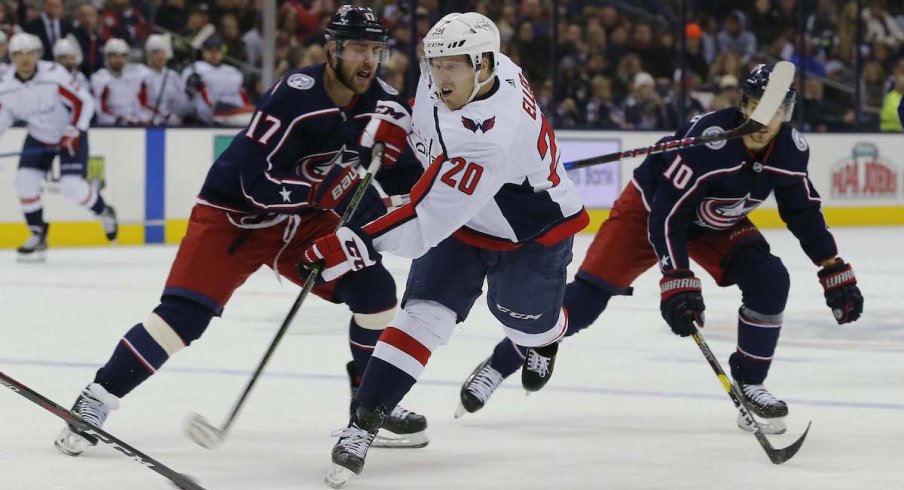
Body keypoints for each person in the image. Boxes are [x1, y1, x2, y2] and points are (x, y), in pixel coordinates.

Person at [53, 5, 427, 457]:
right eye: (356, 49)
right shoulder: (294, 97)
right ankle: (95, 400)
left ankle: (372, 408)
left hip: (304, 221)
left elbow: (407, 179)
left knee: (376, 292)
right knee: (183, 317)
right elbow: (256, 182)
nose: (367, 61)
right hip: (236, 215)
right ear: (332, 49)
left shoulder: (381, 101)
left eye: (375, 49)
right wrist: (325, 190)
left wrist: (403, 154)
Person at [456, 64, 865, 436]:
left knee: (771, 280)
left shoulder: (792, 151)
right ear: (743, 104)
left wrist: (831, 266)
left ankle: (751, 385)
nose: (763, 120)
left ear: (787, 113)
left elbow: (803, 210)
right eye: (756, 107)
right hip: (648, 214)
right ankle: (497, 366)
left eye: (773, 111)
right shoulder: (709, 142)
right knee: (584, 303)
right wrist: (677, 278)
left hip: (718, 225)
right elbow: (668, 212)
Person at [299, 12, 589, 487]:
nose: (439, 76)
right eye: (434, 63)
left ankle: (545, 338)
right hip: (464, 216)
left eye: (452, 66)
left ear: (483, 65)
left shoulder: (487, 141)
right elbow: (428, 128)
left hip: (530, 230)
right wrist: (401, 126)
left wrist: (358, 239)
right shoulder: (481, 70)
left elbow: (422, 222)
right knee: (422, 315)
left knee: (524, 324)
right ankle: (362, 426)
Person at [0, 33, 117, 262]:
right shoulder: (6, 87)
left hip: (69, 134)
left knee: (71, 186)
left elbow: (84, 101)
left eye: (30, 53)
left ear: (38, 55)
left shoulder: (54, 76)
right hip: (39, 137)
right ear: (12, 57)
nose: (25, 59)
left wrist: (74, 130)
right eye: (19, 54)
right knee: (24, 182)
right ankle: (37, 232)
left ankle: (104, 211)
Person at [182, 35, 251, 126]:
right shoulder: (194, 69)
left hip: (234, 118)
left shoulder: (233, 71)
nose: (214, 54)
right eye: (210, 50)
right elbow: (183, 100)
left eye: (217, 50)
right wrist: (190, 87)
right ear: (203, 51)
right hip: (204, 121)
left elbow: (242, 96)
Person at [90, 38, 149, 125]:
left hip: (130, 125)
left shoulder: (130, 78)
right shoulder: (100, 79)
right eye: (115, 56)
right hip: (109, 128)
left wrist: (143, 118)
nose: (119, 60)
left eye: (123, 56)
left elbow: (135, 105)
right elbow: (100, 112)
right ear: (107, 57)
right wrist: (118, 120)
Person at [138, 33, 187, 125]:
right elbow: (138, 103)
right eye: (155, 52)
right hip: (146, 122)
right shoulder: (140, 76)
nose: (160, 57)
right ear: (148, 55)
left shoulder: (173, 76)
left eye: (162, 52)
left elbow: (180, 106)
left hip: (169, 123)